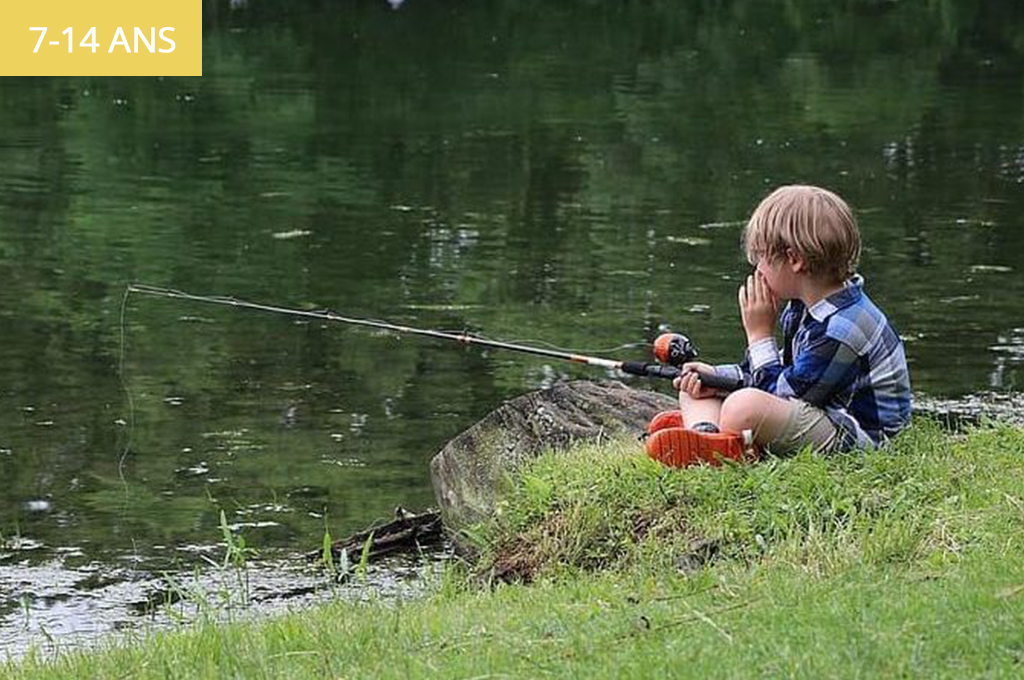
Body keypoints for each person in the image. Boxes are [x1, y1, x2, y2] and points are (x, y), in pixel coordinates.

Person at [646, 185, 911, 466]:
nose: (757, 270)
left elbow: (785, 394)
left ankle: (717, 437)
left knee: (743, 406)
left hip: (859, 437)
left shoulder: (842, 328)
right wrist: (715, 377)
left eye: (760, 258)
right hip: (811, 406)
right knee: (695, 384)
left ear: (794, 259)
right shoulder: (805, 306)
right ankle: (708, 435)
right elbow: (776, 375)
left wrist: (759, 335)